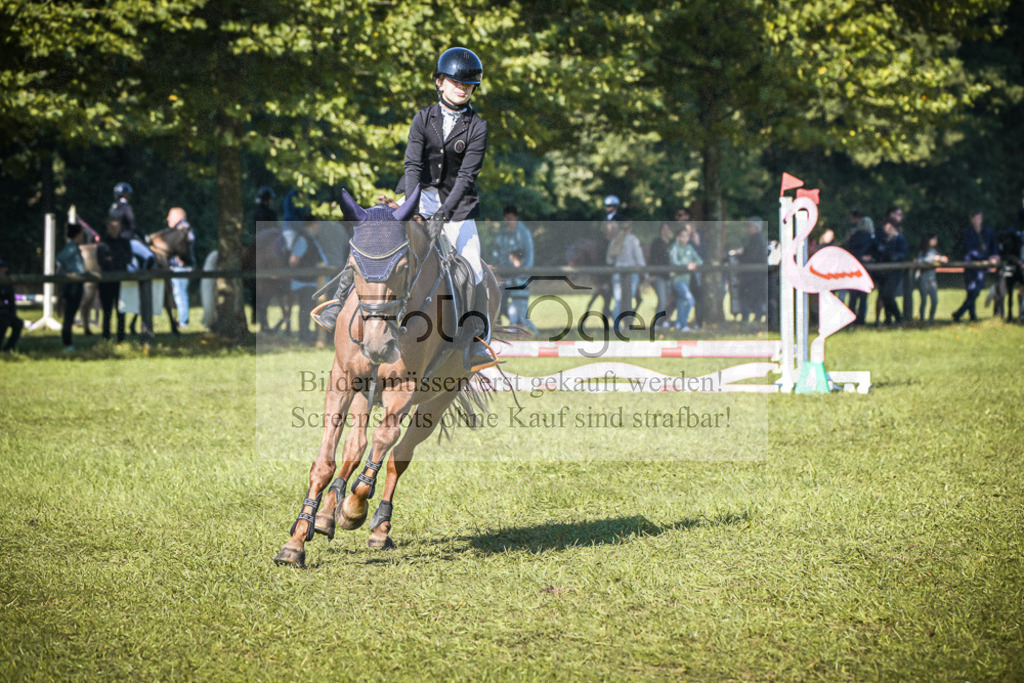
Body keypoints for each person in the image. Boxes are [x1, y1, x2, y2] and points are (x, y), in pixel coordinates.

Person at [315, 47, 492, 366]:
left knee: (473, 266)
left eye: (467, 85)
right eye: (455, 82)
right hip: (416, 194)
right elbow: (412, 166)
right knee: (374, 240)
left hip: (457, 205)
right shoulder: (423, 119)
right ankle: (337, 303)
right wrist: (411, 207)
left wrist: (442, 215)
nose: (461, 88)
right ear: (440, 82)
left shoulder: (477, 126)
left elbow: (467, 175)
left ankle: (474, 339)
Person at [491, 205, 535, 327]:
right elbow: (497, 250)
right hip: (504, 272)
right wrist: (495, 267)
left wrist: (525, 269)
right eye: (506, 218)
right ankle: (503, 325)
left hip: (519, 273)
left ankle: (519, 324)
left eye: (511, 218)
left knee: (519, 303)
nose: (508, 221)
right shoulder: (502, 232)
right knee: (499, 299)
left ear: (516, 217)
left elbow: (529, 251)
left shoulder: (524, 232)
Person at [953, 209, 999, 322]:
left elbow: (994, 245)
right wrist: (986, 258)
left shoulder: (988, 231)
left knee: (977, 289)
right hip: (971, 265)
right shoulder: (968, 233)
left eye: (979, 218)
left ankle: (960, 313)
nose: (977, 221)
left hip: (981, 266)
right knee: (971, 291)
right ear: (971, 219)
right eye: (975, 218)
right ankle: (971, 316)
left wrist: (995, 255)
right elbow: (970, 251)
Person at [96, 217, 132, 342]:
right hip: (106, 282)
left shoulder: (125, 242)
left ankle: (121, 337)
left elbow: (128, 258)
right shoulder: (103, 243)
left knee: (121, 311)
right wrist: (115, 261)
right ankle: (106, 337)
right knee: (107, 312)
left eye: (116, 227)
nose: (114, 230)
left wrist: (112, 260)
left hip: (121, 282)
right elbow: (102, 261)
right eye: (112, 227)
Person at [606, 220, 645, 332]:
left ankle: (617, 325)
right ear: (630, 229)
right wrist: (644, 273)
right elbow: (640, 259)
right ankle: (627, 324)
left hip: (617, 273)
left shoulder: (615, 241)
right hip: (631, 274)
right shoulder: (633, 240)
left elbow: (609, 259)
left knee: (618, 300)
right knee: (629, 299)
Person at [56, 222, 88, 351]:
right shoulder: (71, 247)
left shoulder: (74, 247)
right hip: (73, 284)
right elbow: (59, 258)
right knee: (69, 314)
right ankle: (67, 343)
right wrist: (68, 271)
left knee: (70, 314)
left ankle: (68, 342)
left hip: (75, 283)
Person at [734, 217, 769, 325]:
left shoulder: (756, 239)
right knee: (755, 296)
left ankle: (748, 318)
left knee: (746, 296)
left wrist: (740, 255)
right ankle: (756, 318)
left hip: (752, 275)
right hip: (755, 275)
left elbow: (751, 257)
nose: (748, 228)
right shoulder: (757, 239)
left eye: (750, 226)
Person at [873, 217, 909, 325]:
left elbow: (902, 253)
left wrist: (892, 257)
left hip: (894, 272)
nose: (885, 228)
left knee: (888, 295)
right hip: (885, 272)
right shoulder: (885, 240)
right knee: (884, 295)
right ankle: (888, 319)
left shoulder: (899, 239)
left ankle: (899, 318)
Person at [165, 207, 196, 329]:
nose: (167, 218)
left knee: (180, 293)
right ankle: (181, 320)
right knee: (178, 293)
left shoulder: (183, 229)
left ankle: (183, 321)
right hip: (178, 266)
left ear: (178, 217)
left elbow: (189, 241)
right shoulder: (180, 229)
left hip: (181, 267)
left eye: (170, 215)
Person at [842, 215, 875, 324]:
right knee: (863, 296)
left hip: (853, 268)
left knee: (853, 296)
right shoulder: (871, 238)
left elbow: (846, 249)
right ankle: (861, 319)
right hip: (865, 268)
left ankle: (850, 319)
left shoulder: (853, 237)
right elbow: (877, 251)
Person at [669, 225, 702, 331]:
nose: (684, 238)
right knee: (690, 300)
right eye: (682, 236)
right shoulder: (674, 247)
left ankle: (679, 324)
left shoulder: (689, 247)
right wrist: (687, 265)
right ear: (678, 237)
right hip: (677, 280)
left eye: (686, 236)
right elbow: (674, 262)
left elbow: (699, 260)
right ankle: (684, 324)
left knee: (681, 301)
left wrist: (694, 263)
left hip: (686, 280)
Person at [647, 222, 674, 328]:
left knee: (671, 300)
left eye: (668, 229)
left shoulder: (672, 243)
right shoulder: (657, 243)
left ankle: (666, 321)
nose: (666, 231)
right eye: (664, 229)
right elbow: (652, 259)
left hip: (671, 276)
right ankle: (657, 323)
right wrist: (652, 274)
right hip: (659, 276)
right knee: (662, 301)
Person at [915, 233, 947, 323]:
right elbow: (923, 260)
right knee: (924, 301)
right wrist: (937, 258)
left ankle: (931, 319)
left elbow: (938, 259)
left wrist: (939, 258)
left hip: (932, 280)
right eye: (934, 239)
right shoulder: (922, 252)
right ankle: (922, 319)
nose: (936, 241)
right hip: (923, 279)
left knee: (935, 300)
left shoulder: (935, 251)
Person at [0, 257, 24, 352]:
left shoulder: (7, 283)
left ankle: (9, 348)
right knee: (3, 321)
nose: (2, 270)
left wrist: (12, 314)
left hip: (4, 312)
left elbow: (11, 301)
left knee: (17, 323)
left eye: (3, 267)